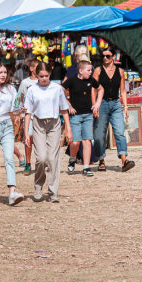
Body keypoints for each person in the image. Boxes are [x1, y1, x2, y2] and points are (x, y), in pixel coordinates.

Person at [21, 60, 72, 203]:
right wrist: (26, 132)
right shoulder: (32, 90)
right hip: (38, 123)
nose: (44, 79)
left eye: (46, 76)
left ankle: (52, 192)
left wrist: (68, 129)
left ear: (50, 74)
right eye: (41, 76)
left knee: (53, 158)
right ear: (36, 75)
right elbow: (28, 113)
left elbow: (64, 109)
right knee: (42, 158)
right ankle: (38, 186)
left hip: (54, 123)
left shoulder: (57, 89)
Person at [0, 61, 25, 206]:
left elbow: (15, 109)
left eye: (5, 73)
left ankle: (12, 192)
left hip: (7, 124)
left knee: (9, 159)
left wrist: (20, 111)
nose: (3, 75)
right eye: (0, 72)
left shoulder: (11, 89)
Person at [92, 49, 135, 172]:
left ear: (113, 57)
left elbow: (122, 90)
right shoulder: (98, 71)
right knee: (99, 135)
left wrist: (125, 107)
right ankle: (101, 160)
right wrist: (94, 105)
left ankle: (124, 160)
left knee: (120, 132)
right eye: (103, 56)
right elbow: (93, 90)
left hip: (116, 103)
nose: (105, 58)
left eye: (108, 56)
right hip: (102, 103)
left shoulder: (120, 71)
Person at [63, 53, 99, 177]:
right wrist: (68, 105)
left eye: (91, 70)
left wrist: (97, 103)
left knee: (87, 141)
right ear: (81, 71)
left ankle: (86, 167)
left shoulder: (91, 81)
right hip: (75, 116)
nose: (91, 72)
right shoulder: (72, 80)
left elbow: (100, 89)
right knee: (75, 142)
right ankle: (72, 158)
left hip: (88, 115)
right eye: (88, 70)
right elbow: (60, 90)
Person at [16, 62, 39, 174]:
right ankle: (28, 163)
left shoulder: (43, 81)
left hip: (41, 115)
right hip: (29, 115)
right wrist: (17, 113)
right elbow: (20, 98)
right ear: (31, 69)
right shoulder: (25, 82)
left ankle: (40, 162)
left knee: (40, 140)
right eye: (37, 67)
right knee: (28, 138)